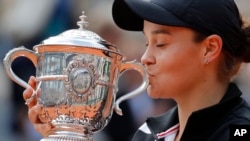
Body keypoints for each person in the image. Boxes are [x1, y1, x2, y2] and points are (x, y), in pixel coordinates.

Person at [23, 0, 250, 140]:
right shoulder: (148, 133)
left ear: (209, 49)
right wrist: (63, 134)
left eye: (160, 43)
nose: (145, 58)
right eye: (146, 43)